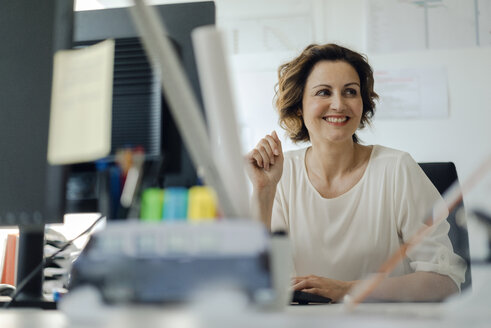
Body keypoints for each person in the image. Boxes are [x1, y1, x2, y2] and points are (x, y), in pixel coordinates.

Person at [245, 44, 466, 302]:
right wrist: (263, 190)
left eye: (350, 92)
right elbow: (253, 282)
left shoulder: (397, 169)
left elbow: (445, 283)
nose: (339, 104)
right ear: (298, 107)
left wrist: (349, 290)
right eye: (323, 92)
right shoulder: (282, 175)